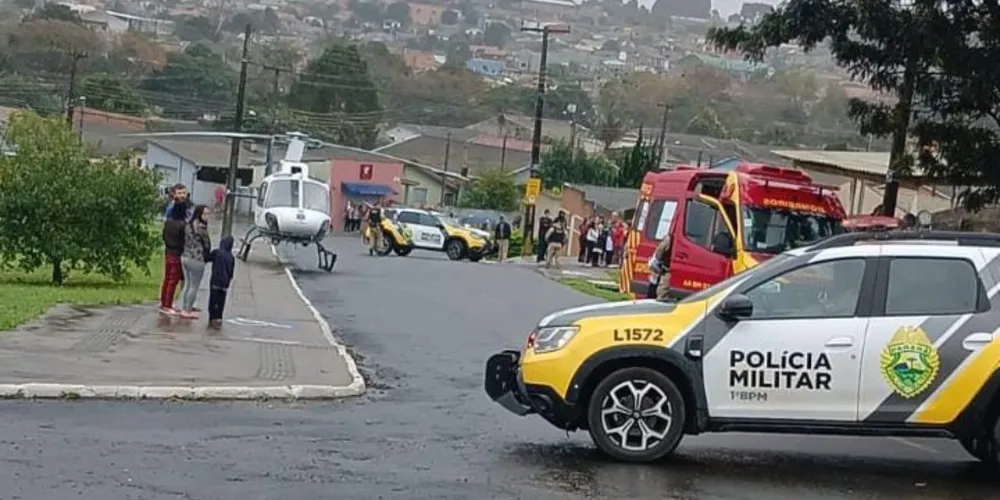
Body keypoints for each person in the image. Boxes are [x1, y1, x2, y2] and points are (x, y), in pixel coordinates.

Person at [179, 205, 212, 319]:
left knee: (187, 284)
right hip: (196, 259)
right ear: (199, 214)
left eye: (208, 214)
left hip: (185, 256)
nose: (207, 216)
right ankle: (187, 310)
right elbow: (207, 243)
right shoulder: (201, 227)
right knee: (194, 286)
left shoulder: (188, 225)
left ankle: (184, 307)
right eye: (205, 214)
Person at [159, 202, 187, 315]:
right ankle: (167, 305)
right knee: (173, 280)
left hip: (168, 252)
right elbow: (183, 240)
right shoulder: (182, 225)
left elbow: (163, 236)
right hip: (177, 254)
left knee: (167, 278)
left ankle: (164, 302)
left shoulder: (168, 223)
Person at [207, 236, 235, 329]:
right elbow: (231, 272)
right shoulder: (231, 257)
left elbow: (208, 258)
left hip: (215, 280)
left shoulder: (217, 252)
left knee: (213, 299)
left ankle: (212, 317)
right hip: (225, 282)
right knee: (221, 301)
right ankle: (219, 317)